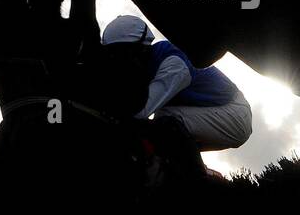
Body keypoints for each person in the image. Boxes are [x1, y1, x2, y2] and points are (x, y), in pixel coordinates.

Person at [100, 15, 253, 162]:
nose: (118, 62)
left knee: (165, 120)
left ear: (139, 49)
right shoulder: (147, 63)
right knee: (161, 137)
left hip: (235, 115)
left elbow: (140, 112)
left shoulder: (173, 64)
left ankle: (197, 180)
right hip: (219, 110)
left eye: (120, 55)